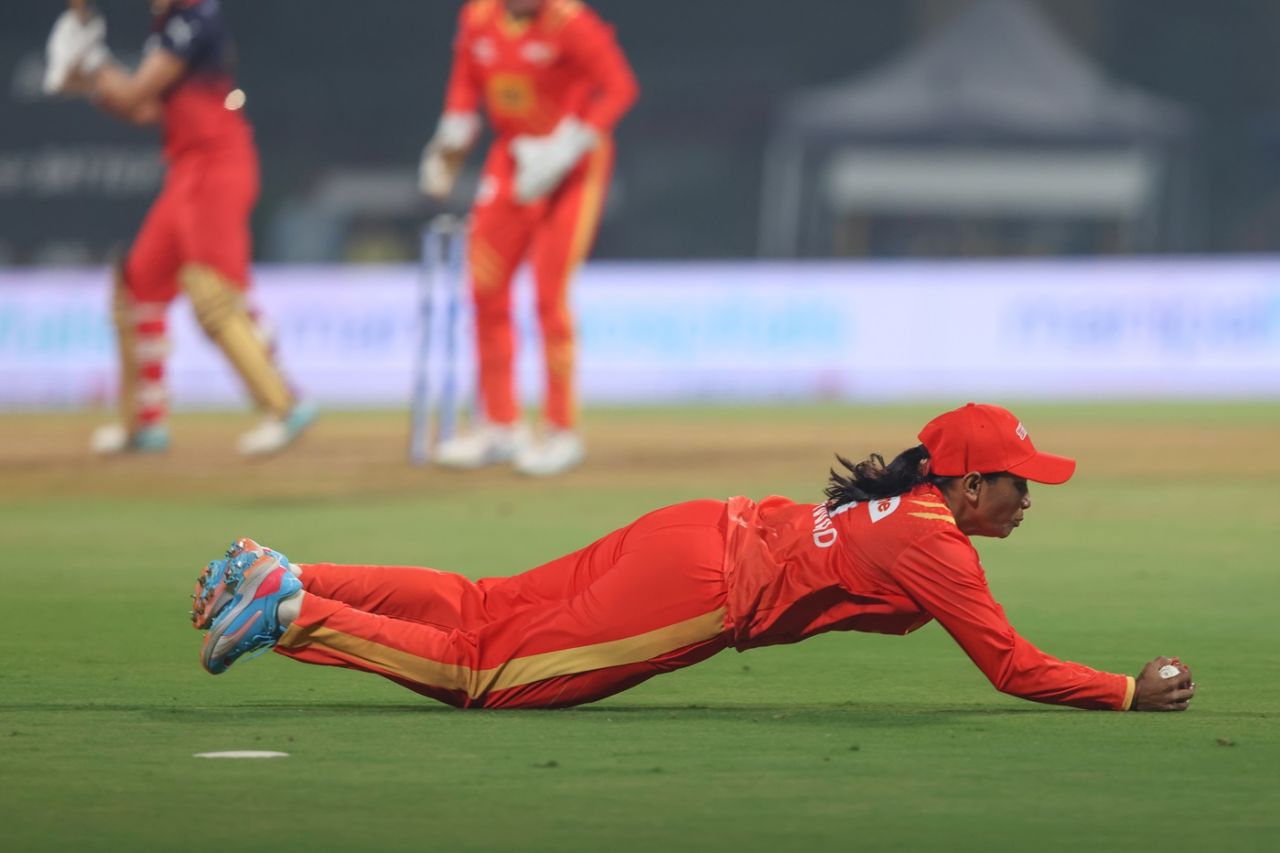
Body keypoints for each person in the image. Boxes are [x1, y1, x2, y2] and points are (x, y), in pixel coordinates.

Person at [190, 403, 1196, 713]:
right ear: (970, 485)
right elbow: (1010, 666)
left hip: (691, 528)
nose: (1028, 497)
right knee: (486, 674)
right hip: (704, 586)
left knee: (479, 599)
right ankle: (287, 610)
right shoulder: (937, 548)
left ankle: (288, 570)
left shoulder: (909, 500)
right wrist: (1123, 690)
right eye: (1018, 482)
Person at [43, 0, 315, 456]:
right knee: (138, 286)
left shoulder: (196, 19)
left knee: (215, 291)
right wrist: (88, 78)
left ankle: (284, 405)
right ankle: (144, 425)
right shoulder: (167, 24)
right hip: (187, 169)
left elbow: (132, 95)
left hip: (217, 165)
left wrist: (92, 59)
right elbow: (144, 111)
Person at [418, 0, 639, 476]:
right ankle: (500, 426)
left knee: (548, 296)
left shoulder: (570, 22)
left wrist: (570, 143)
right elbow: (465, 80)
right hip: (512, 156)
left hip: (573, 166)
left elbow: (620, 86)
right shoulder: (478, 18)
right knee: (485, 290)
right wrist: (450, 135)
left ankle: (561, 431)